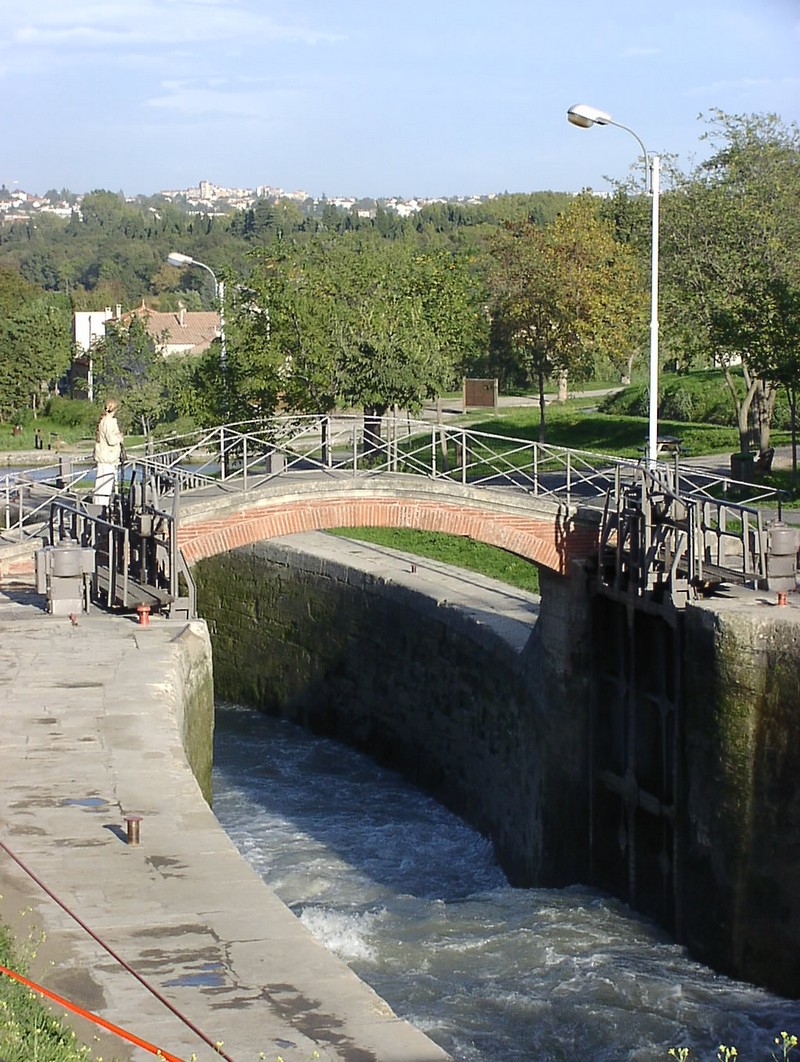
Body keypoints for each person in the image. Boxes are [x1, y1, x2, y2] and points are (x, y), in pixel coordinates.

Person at [93, 398, 124, 508]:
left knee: (101, 484)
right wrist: (120, 437)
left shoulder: (103, 420)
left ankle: (99, 506)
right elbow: (111, 440)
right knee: (105, 486)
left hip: (103, 457)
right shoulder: (109, 422)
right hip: (108, 458)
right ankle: (101, 508)